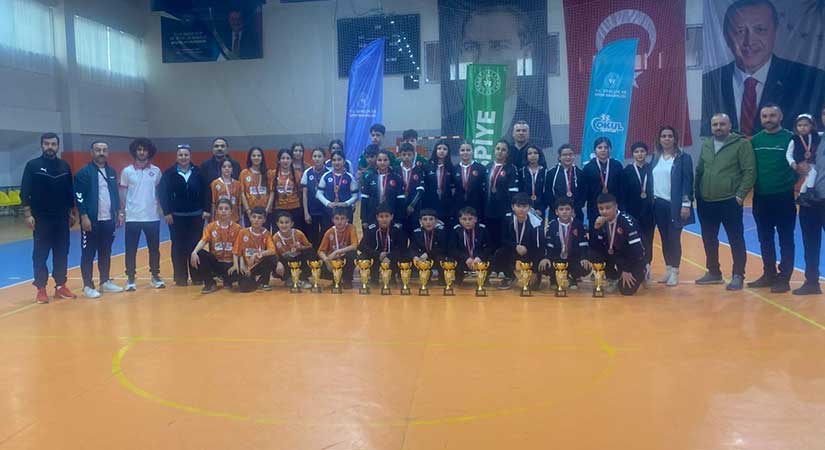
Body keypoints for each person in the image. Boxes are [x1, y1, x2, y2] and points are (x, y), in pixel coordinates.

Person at [701, 0, 825, 136]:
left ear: (775, 31)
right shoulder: (708, 84)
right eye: (740, 31)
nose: (749, 41)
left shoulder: (813, 81)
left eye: (760, 30)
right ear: (726, 36)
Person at [452, 5, 552, 149]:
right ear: (461, 54)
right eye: (471, 47)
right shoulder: (453, 124)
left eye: (498, 46)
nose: (483, 59)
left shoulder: (540, 122)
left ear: (525, 53)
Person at [695, 113, 756, 290]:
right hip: (706, 201)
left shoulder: (742, 144)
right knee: (709, 239)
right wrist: (696, 193)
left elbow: (750, 171)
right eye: (715, 125)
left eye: (722, 124)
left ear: (730, 126)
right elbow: (700, 170)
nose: (718, 128)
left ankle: (738, 275)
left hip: (729, 201)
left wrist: (740, 196)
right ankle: (714, 272)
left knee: (735, 239)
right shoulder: (707, 144)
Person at [20, 132, 77, 303]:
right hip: (41, 218)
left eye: (53, 144)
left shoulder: (64, 166)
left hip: (61, 218)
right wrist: (28, 214)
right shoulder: (32, 165)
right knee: (40, 254)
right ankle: (41, 288)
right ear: (42, 145)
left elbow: (69, 191)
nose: (50, 147)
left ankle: (60, 286)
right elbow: (25, 190)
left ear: (58, 146)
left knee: (62, 252)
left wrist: (71, 212)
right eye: (47, 144)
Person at [747, 104, 797, 293]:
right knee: (764, 238)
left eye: (772, 115)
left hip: (784, 198)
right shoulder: (755, 141)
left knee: (786, 239)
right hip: (761, 198)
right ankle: (769, 274)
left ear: (781, 116)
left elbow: (800, 165)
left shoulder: (791, 138)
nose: (768, 119)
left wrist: (789, 182)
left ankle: (784, 278)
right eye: (765, 116)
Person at [74, 141, 123, 299]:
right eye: (98, 150)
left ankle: (105, 281)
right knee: (88, 253)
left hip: (108, 220)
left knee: (106, 251)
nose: (101, 153)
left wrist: (119, 212)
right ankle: (88, 285)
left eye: (104, 150)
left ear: (108, 153)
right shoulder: (84, 173)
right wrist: (84, 216)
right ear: (91, 152)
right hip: (91, 220)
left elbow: (115, 193)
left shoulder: (111, 172)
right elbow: (79, 196)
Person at [119, 138, 166, 291]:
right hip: (133, 217)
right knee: (131, 249)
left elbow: (159, 192)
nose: (141, 152)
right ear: (135, 151)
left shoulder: (156, 171)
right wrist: (123, 211)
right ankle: (130, 278)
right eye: (139, 149)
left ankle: (155, 276)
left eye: (144, 149)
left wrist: (160, 209)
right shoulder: (127, 171)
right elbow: (123, 193)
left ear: (149, 152)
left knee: (154, 249)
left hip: (152, 217)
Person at [651, 126, 695, 287]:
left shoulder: (683, 158)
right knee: (664, 239)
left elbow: (688, 182)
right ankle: (668, 269)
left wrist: (686, 204)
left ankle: (675, 272)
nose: (667, 139)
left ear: (675, 139)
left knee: (674, 238)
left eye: (670, 136)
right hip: (658, 204)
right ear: (659, 139)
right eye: (664, 136)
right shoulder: (655, 157)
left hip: (675, 205)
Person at [160, 144, 209, 287]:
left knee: (195, 245)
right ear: (177, 157)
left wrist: (206, 209)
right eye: (180, 155)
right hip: (176, 216)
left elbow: (206, 191)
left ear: (190, 156)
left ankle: (197, 276)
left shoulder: (198, 172)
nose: (183, 157)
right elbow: (163, 193)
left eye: (186, 155)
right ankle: (180, 277)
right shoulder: (169, 173)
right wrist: (167, 212)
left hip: (196, 215)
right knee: (178, 246)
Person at [588, 193, 646, 296]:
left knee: (626, 290)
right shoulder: (601, 222)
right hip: (616, 255)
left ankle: (643, 271)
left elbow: (637, 250)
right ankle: (612, 277)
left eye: (608, 208)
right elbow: (594, 247)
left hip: (633, 258)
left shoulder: (626, 222)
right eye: (601, 209)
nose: (604, 211)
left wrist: (627, 269)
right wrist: (596, 228)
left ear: (616, 206)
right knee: (593, 254)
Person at [794, 125, 825, 295]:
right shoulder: (813, 138)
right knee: (810, 243)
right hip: (809, 201)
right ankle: (812, 281)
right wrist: (799, 166)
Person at [621, 142, 655, 287]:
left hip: (649, 214)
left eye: (642, 151)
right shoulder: (627, 171)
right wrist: (624, 214)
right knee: (632, 243)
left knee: (648, 243)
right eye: (636, 151)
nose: (639, 154)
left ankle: (646, 271)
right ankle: (634, 270)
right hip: (632, 214)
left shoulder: (652, 169)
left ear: (646, 153)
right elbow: (623, 194)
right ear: (632, 154)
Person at [493, 193, 544, 290]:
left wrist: (535, 271)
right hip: (513, 249)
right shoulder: (507, 219)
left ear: (529, 208)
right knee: (500, 253)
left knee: (533, 287)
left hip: (529, 251)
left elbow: (539, 246)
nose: (521, 209)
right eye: (518, 206)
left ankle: (533, 275)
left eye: (524, 206)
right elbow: (503, 239)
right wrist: (515, 246)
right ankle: (509, 276)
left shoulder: (536, 223)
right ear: (513, 207)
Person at [190, 198, 241, 294]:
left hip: (230, 263)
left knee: (241, 275)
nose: (223, 211)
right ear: (216, 211)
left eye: (226, 209)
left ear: (231, 211)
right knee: (200, 253)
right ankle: (210, 284)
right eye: (220, 208)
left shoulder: (237, 228)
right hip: (216, 262)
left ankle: (228, 280)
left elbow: (238, 248)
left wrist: (236, 264)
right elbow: (203, 240)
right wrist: (194, 252)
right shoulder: (211, 227)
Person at [538, 198, 590, 290]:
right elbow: (549, 245)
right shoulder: (552, 225)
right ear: (556, 212)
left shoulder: (578, 224)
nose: (564, 212)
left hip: (573, 258)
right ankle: (554, 279)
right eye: (561, 209)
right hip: (557, 258)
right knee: (544, 265)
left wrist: (584, 258)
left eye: (567, 209)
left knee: (586, 267)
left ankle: (572, 277)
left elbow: (583, 243)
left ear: (572, 211)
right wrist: (546, 258)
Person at [484, 140, 519, 261]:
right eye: (498, 149)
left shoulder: (511, 169)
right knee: (489, 239)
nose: (500, 152)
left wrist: (510, 210)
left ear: (507, 153)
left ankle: (502, 265)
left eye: (503, 150)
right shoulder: (488, 167)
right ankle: (489, 265)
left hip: (503, 211)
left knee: (502, 240)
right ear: (494, 150)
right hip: (488, 210)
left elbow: (513, 192)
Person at [358, 204, 409, 284]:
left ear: (391, 217)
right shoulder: (371, 229)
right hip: (375, 257)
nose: (384, 219)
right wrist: (378, 254)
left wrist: (389, 256)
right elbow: (361, 246)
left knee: (405, 257)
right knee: (363, 257)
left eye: (387, 216)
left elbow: (402, 246)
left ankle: (395, 276)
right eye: (381, 217)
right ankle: (371, 276)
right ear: (377, 217)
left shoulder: (397, 229)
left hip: (392, 258)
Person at [582, 137, 624, 230]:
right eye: (600, 147)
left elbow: (622, 189)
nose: (603, 150)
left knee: (614, 235)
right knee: (596, 236)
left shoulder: (617, 165)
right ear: (595, 150)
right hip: (595, 209)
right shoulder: (588, 168)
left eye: (606, 147)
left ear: (610, 149)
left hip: (614, 208)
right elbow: (585, 191)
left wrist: (621, 208)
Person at [233, 206, 277, 292]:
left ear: (264, 220)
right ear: (250, 218)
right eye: (254, 217)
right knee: (245, 288)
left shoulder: (266, 233)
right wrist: (240, 265)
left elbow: (272, 250)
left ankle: (263, 282)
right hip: (246, 266)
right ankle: (252, 280)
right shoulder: (243, 232)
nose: (256, 220)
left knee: (272, 258)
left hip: (259, 264)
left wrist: (256, 254)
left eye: (260, 218)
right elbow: (236, 251)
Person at [446, 206, 491, 286]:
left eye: (470, 219)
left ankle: (484, 278)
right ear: (460, 220)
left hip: (479, 259)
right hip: (463, 259)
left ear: (475, 219)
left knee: (491, 258)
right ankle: (459, 278)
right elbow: (452, 249)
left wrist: (479, 257)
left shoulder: (482, 229)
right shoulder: (456, 230)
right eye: (464, 219)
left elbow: (489, 247)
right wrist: (466, 258)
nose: (467, 222)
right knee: (451, 260)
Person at [316, 149, 359, 231]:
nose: (336, 162)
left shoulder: (349, 177)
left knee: (346, 233)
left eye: (339, 159)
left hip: (345, 212)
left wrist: (346, 203)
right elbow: (319, 193)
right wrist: (327, 203)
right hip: (329, 212)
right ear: (331, 162)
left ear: (344, 161)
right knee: (328, 233)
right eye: (334, 160)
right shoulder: (326, 176)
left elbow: (355, 196)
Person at [360, 150, 404, 229]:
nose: (382, 163)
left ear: (389, 161)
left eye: (385, 160)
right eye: (379, 160)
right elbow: (364, 200)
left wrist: (399, 220)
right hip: (372, 215)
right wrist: (364, 219)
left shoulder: (396, 178)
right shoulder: (369, 178)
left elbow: (400, 202)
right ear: (376, 161)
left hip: (391, 215)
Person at [318, 207, 358, 289]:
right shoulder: (329, 232)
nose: (339, 221)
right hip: (333, 259)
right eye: (337, 218)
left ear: (347, 219)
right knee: (322, 265)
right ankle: (335, 280)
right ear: (333, 220)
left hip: (344, 257)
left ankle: (347, 280)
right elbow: (320, 251)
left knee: (352, 254)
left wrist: (337, 251)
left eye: (342, 218)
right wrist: (326, 260)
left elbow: (355, 245)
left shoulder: (351, 228)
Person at [271, 211, 314, 289]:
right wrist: (278, 263)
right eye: (281, 222)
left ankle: (303, 278)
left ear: (292, 224)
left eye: (287, 222)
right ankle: (288, 278)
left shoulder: (299, 234)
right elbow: (274, 254)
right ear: (277, 224)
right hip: (285, 261)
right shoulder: (275, 238)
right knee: (274, 262)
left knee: (310, 252)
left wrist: (300, 247)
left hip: (298, 259)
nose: (284, 225)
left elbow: (309, 247)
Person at [200, 137, 241, 216]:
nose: (219, 148)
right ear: (212, 149)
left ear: (227, 149)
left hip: (233, 210)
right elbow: (203, 189)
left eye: (222, 146)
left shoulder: (235, 165)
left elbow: (239, 189)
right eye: (216, 146)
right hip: (212, 210)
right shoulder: (205, 166)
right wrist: (206, 209)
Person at [545, 144, 585, 219]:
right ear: (559, 157)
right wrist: (558, 210)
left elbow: (583, 194)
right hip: (556, 213)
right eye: (564, 155)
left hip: (575, 213)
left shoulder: (580, 173)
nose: (568, 157)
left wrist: (574, 209)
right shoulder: (551, 173)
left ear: (574, 156)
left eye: (570, 154)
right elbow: (548, 193)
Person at [421, 140, 454, 228]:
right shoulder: (426, 166)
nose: (442, 151)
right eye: (439, 148)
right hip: (430, 204)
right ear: (435, 150)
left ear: (448, 152)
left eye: (444, 149)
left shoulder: (451, 168)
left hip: (445, 205)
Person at [268, 149, 304, 231]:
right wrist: (268, 208)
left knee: (295, 233)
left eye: (288, 158)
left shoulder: (298, 174)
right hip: (278, 208)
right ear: (279, 161)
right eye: (283, 158)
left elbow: (301, 192)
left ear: (291, 160)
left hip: (295, 208)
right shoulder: (272, 174)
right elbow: (272, 192)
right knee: (278, 234)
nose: (285, 161)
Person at [452, 141, 487, 221]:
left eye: (468, 150)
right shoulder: (454, 169)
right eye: (462, 150)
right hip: (459, 206)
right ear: (459, 152)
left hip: (476, 206)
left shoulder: (481, 168)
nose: (465, 152)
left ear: (473, 151)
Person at [786, 114, 820, 198]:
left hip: (812, 162)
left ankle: (802, 195)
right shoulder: (795, 139)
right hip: (800, 163)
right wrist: (792, 163)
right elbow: (788, 154)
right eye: (799, 125)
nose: (802, 127)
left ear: (811, 126)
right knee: (813, 172)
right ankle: (810, 192)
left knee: (808, 177)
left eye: (805, 125)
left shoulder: (815, 136)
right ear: (796, 127)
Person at [410, 209, 448, 284]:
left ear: (436, 221)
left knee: (442, 258)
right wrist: (415, 256)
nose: (428, 222)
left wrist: (428, 254)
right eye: (425, 219)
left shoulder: (441, 232)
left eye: (431, 219)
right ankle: (425, 277)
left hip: (437, 256)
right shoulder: (417, 233)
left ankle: (442, 278)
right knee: (411, 259)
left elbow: (443, 248)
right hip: (423, 257)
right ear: (420, 221)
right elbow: (412, 248)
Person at [396, 143, 425, 236]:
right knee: (401, 236)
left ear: (413, 155)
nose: (406, 157)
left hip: (414, 209)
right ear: (400, 155)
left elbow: (420, 191)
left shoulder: (418, 170)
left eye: (409, 154)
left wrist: (412, 205)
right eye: (404, 154)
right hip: (399, 209)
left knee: (415, 236)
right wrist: (402, 206)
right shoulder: (395, 170)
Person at [239, 147, 271, 227]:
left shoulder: (268, 173)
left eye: (259, 155)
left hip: (265, 212)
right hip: (250, 212)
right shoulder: (244, 173)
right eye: (254, 156)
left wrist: (267, 210)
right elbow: (242, 194)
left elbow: (272, 193)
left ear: (262, 158)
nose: (256, 158)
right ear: (250, 158)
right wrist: (248, 211)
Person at [302, 147, 327, 248]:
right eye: (315, 156)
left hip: (326, 211)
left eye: (319, 156)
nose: (317, 159)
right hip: (312, 210)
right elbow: (304, 194)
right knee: (312, 236)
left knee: (325, 234)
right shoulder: (307, 172)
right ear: (312, 158)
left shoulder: (329, 172)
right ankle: (314, 255)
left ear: (324, 158)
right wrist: (306, 212)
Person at [520, 144, 549, 219]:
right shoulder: (521, 172)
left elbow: (547, 193)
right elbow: (520, 191)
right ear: (526, 156)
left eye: (535, 153)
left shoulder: (545, 172)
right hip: (524, 209)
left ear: (540, 155)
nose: (533, 155)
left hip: (540, 210)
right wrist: (525, 207)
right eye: (530, 153)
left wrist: (541, 209)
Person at [210, 159, 242, 224]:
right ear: (220, 169)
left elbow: (239, 204)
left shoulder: (238, 184)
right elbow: (213, 203)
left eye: (229, 167)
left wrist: (240, 218)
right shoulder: (215, 183)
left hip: (234, 218)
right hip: (219, 218)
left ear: (232, 169)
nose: (227, 169)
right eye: (224, 167)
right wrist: (213, 219)